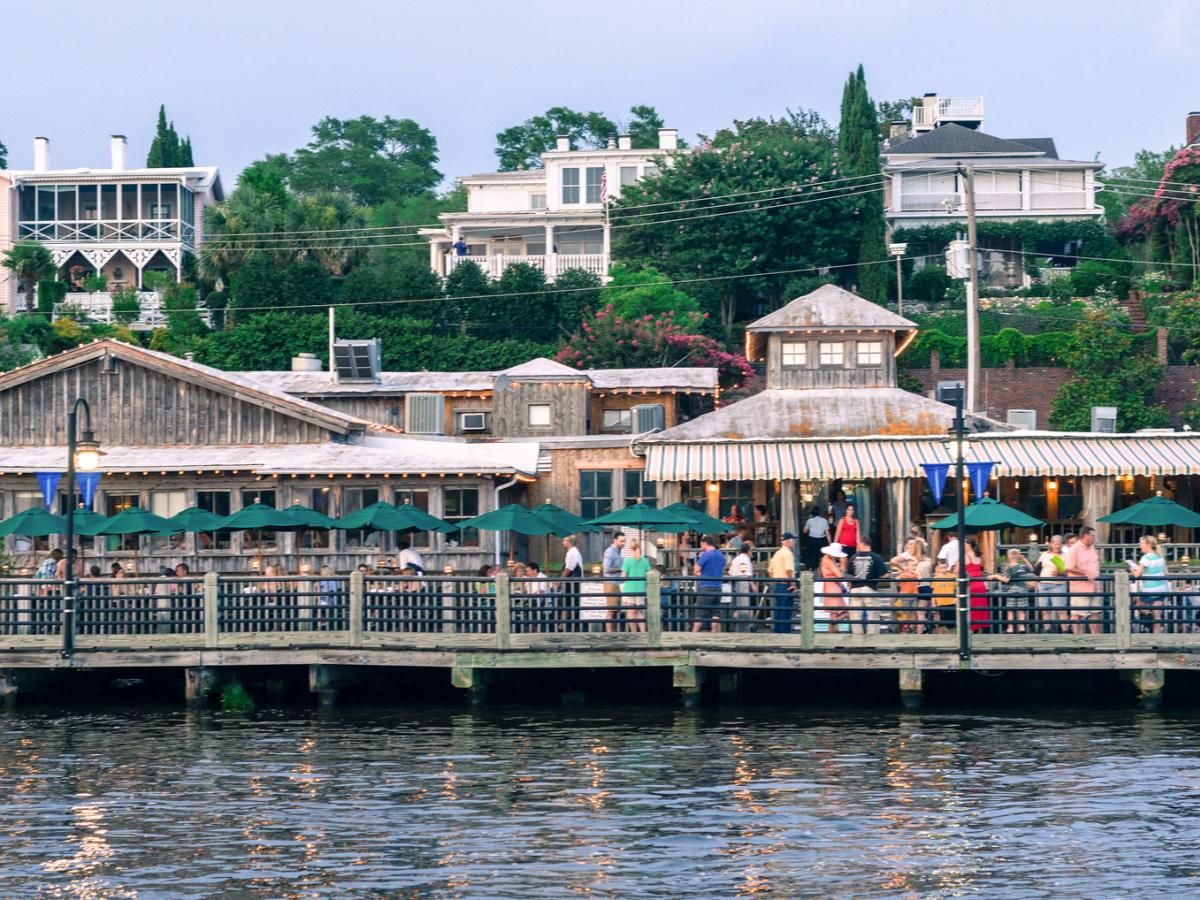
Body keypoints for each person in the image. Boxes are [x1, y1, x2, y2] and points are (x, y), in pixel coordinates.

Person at [847, 537, 889, 634]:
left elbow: (849, 575)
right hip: (869, 588)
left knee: (855, 617)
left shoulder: (853, 557)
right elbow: (885, 575)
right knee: (873, 616)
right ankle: (871, 640)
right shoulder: (876, 557)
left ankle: (857, 640)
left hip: (855, 589)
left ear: (862, 544)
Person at [1064, 526, 1101, 635]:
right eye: (1092, 536)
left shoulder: (1092, 548)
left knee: (1095, 613)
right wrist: (1085, 573)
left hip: (1094, 586)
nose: (1094, 538)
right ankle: (1077, 640)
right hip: (1080, 587)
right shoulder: (1074, 549)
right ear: (1086, 536)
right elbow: (1069, 567)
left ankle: (1096, 640)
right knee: (1077, 614)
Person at [989, 549, 1035, 633]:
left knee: (1010, 610)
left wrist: (996, 576)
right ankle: (1022, 628)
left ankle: (1010, 628)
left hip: (1012, 590)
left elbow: (1006, 579)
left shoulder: (1008, 567)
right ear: (1019, 557)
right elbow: (1031, 569)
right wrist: (1024, 559)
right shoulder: (1022, 566)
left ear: (1008, 557)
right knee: (1021, 610)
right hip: (1023, 590)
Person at [1131, 535, 1168, 635]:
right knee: (1157, 616)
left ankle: (1148, 613)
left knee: (1138, 605)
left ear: (1148, 545)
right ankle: (1156, 639)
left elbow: (1137, 574)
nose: (1140, 546)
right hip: (1161, 590)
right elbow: (1166, 573)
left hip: (1149, 590)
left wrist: (1132, 570)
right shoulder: (1160, 557)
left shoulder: (1145, 558)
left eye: (1142, 544)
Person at [1035, 535, 1069, 634]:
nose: (1057, 545)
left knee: (1060, 610)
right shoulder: (1044, 555)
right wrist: (1035, 580)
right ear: (1051, 544)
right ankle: (1047, 630)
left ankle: (1065, 631)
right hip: (1043, 584)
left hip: (1058, 584)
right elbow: (1037, 569)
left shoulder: (1065, 556)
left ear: (1062, 544)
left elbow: (1069, 572)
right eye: (1055, 543)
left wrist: (1060, 573)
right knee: (1045, 610)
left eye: (1059, 543)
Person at [693, 535, 726, 633]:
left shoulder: (706, 555)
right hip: (718, 587)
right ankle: (715, 636)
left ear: (704, 543)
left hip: (706, 586)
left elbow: (696, 570)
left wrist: (702, 575)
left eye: (701, 544)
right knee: (715, 614)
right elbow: (723, 568)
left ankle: (692, 637)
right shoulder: (721, 555)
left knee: (700, 613)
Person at [767, 532, 797, 634]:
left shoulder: (777, 553)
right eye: (793, 540)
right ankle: (784, 634)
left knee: (778, 611)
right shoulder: (788, 553)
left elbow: (770, 571)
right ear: (788, 541)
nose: (794, 542)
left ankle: (777, 634)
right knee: (786, 611)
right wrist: (793, 584)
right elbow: (788, 570)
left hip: (777, 584)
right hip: (786, 584)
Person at [620, 539, 652, 634]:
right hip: (640, 588)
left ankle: (634, 633)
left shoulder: (627, 561)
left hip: (629, 589)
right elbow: (649, 574)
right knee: (639, 613)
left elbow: (623, 576)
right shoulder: (645, 560)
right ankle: (643, 633)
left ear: (630, 548)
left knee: (630, 612)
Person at [817, 542, 848, 632]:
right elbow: (839, 575)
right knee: (847, 612)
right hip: (833, 587)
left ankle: (833, 636)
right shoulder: (829, 561)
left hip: (829, 586)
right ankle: (834, 625)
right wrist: (842, 566)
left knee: (833, 613)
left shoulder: (826, 559)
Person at [728, 539, 755, 631]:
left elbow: (730, 572)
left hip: (734, 583)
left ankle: (737, 626)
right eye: (751, 550)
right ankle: (747, 626)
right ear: (748, 551)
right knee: (747, 606)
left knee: (736, 606)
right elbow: (746, 573)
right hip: (744, 585)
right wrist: (753, 585)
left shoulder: (735, 559)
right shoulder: (746, 560)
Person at [602, 533, 626, 634]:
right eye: (621, 541)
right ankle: (609, 633)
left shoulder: (618, 552)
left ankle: (613, 632)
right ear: (614, 540)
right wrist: (621, 568)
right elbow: (606, 569)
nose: (623, 543)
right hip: (611, 583)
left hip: (616, 583)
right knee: (611, 610)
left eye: (624, 541)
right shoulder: (610, 552)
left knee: (615, 610)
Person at [964, 538, 989, 633]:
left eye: (965, 544)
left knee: (973, 608)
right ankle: (983, 629)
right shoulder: (978, 555)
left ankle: (974, 630)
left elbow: (962, 570)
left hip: (972, 584)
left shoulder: (966, 556)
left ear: (969, 545)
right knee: (982, 607)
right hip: (980, 583)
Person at [561, 536, 583, 629]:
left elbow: (569, 568)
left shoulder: (571, 553)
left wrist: (560, 580)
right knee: (570, 604)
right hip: (574, 583)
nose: (562, 542)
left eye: (564, 540)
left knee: (568, 604)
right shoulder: (574, 552)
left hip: (572, 584)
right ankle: (562, 625)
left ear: (569, 542)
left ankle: (565, 626)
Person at [930, 559, 956, 633]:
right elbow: (933, 592)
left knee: (951, 624)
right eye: (941, 567)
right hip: (940, 603)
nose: (943, 569)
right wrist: (933, 603)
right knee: (940, 624)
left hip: (951, 603)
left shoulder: (953, 577)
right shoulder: (935, 578)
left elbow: (957, 589)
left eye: (945, 567)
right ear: (938, 567)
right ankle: (941, 639)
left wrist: (956, 599)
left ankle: (950, 639)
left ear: (947, 566)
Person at [802, 506, 830, 571]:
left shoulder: (809, 520)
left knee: (811, 554)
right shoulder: (824, 520)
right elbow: (827, 533)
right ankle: (820, 568)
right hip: (821, 540)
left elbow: (804, 531)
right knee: (820, 555)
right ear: (819, 513)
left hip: (812, 539)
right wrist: (830, 543)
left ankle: (811, 567)